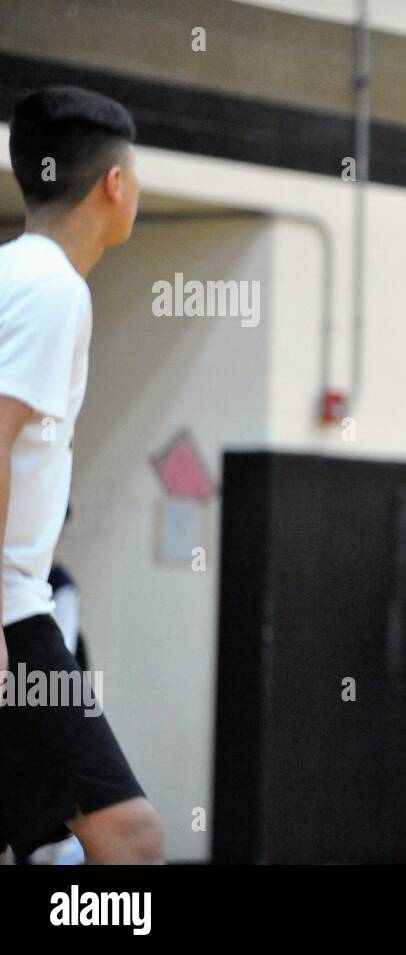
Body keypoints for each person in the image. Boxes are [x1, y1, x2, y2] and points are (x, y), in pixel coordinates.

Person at [0, 86, 164, 864]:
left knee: (44, 843)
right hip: (10, 614)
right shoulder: (49, 288)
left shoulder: (19, 275)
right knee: (128, 839)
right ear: (115, 184)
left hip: (17, 609)